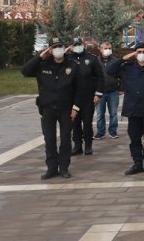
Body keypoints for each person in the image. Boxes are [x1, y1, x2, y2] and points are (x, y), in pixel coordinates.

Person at [22, 39, 80, 179]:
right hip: (47, 108)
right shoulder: (42, 65)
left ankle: (64, 168)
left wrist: (76, 107)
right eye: (54, 47)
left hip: (66, 108)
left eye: (60, 46)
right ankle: (52, 168)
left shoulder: (72, 65)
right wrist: (39, 56)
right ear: (50, 50)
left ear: (64, 48)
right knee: (49, 139)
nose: (58, 49)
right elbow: (25, 71)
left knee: (65, 139)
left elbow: (80, 88)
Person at [106, 43, 144, 175]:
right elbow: (109, 70)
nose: (142, 54)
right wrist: (124, 58)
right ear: (135, 53)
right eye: (139, 52)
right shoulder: (127, 67)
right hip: (133, 109)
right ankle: (137, 163)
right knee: (134, 138)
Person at [67, 37, 103, 155]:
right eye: (75, 45)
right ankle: (77, 145)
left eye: (79, 44)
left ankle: (88, 145)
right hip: (72, 97)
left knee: (87, 122)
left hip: (88, 96)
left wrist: (98, 94)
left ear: (83, 45)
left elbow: (100, 77)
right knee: (75, 122)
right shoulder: (67, 59)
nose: (77, 46)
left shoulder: (91, 58)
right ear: (71, 47)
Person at [94, 42, 120, 140]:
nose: (108, 50)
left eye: (109, 48)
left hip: (113, 91)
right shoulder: (95, 61)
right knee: (100, 114)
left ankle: (113, 131)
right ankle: (100, 132)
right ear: (100, 49)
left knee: (113, 113)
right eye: (105, 48)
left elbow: (121, 74)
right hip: (99, 92)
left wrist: (121, 88)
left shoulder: (115, 61)